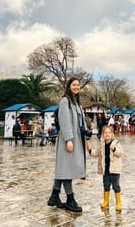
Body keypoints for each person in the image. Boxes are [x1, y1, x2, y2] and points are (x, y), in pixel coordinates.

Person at [47, 76, 89, 213]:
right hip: (69, 140)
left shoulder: (76, 103)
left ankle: (54, 196)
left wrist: (86, 137)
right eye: (74, 84)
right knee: (67, 169)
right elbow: (64, 121)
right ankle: (70, 199)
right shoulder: (65, 101)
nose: (76, 87)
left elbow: (81, 123)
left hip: (77, 139)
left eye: (78, 85)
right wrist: (68, 140)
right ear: (69, 86)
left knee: (64, 168)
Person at [87, 125, 123, 211]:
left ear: (112, 134)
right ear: (103, 134)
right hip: (105, 170)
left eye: (109, 132)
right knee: (106, 185)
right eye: (105, 133)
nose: (107, 134)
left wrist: (114, 149)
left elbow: (120, 153)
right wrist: (90, 150)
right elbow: (98, 153)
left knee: (116, 186)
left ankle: (118, 203)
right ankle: (106, 201)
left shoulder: (116, 143)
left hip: (114, 170)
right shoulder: (102, 145)